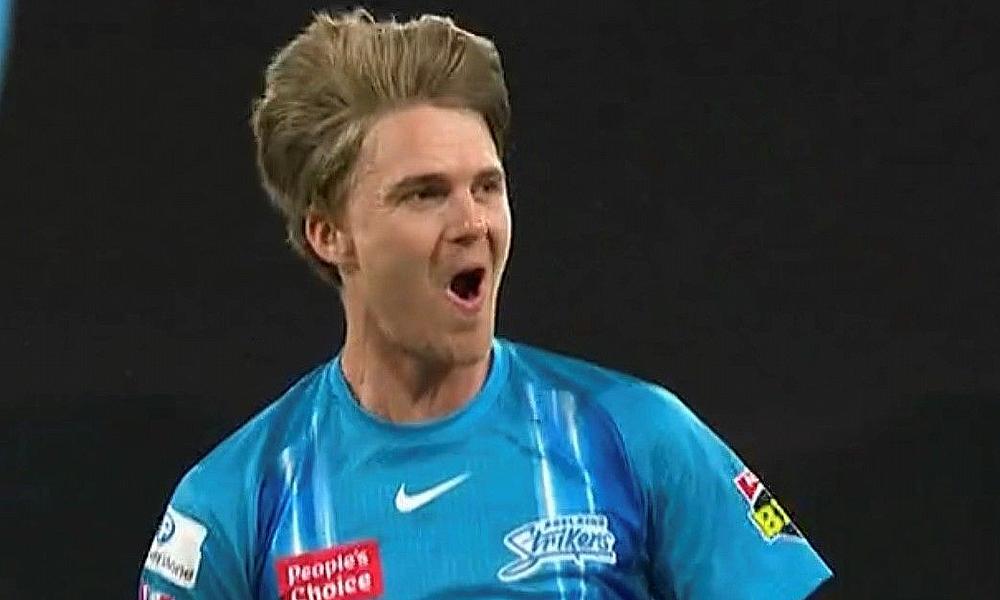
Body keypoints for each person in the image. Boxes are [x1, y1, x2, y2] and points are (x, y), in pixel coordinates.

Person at [139, 9, 832, 600]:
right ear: (330, 234)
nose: (473, 223)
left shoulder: (636, 438)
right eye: (426, 193)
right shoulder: (236, 502)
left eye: (487, 187)